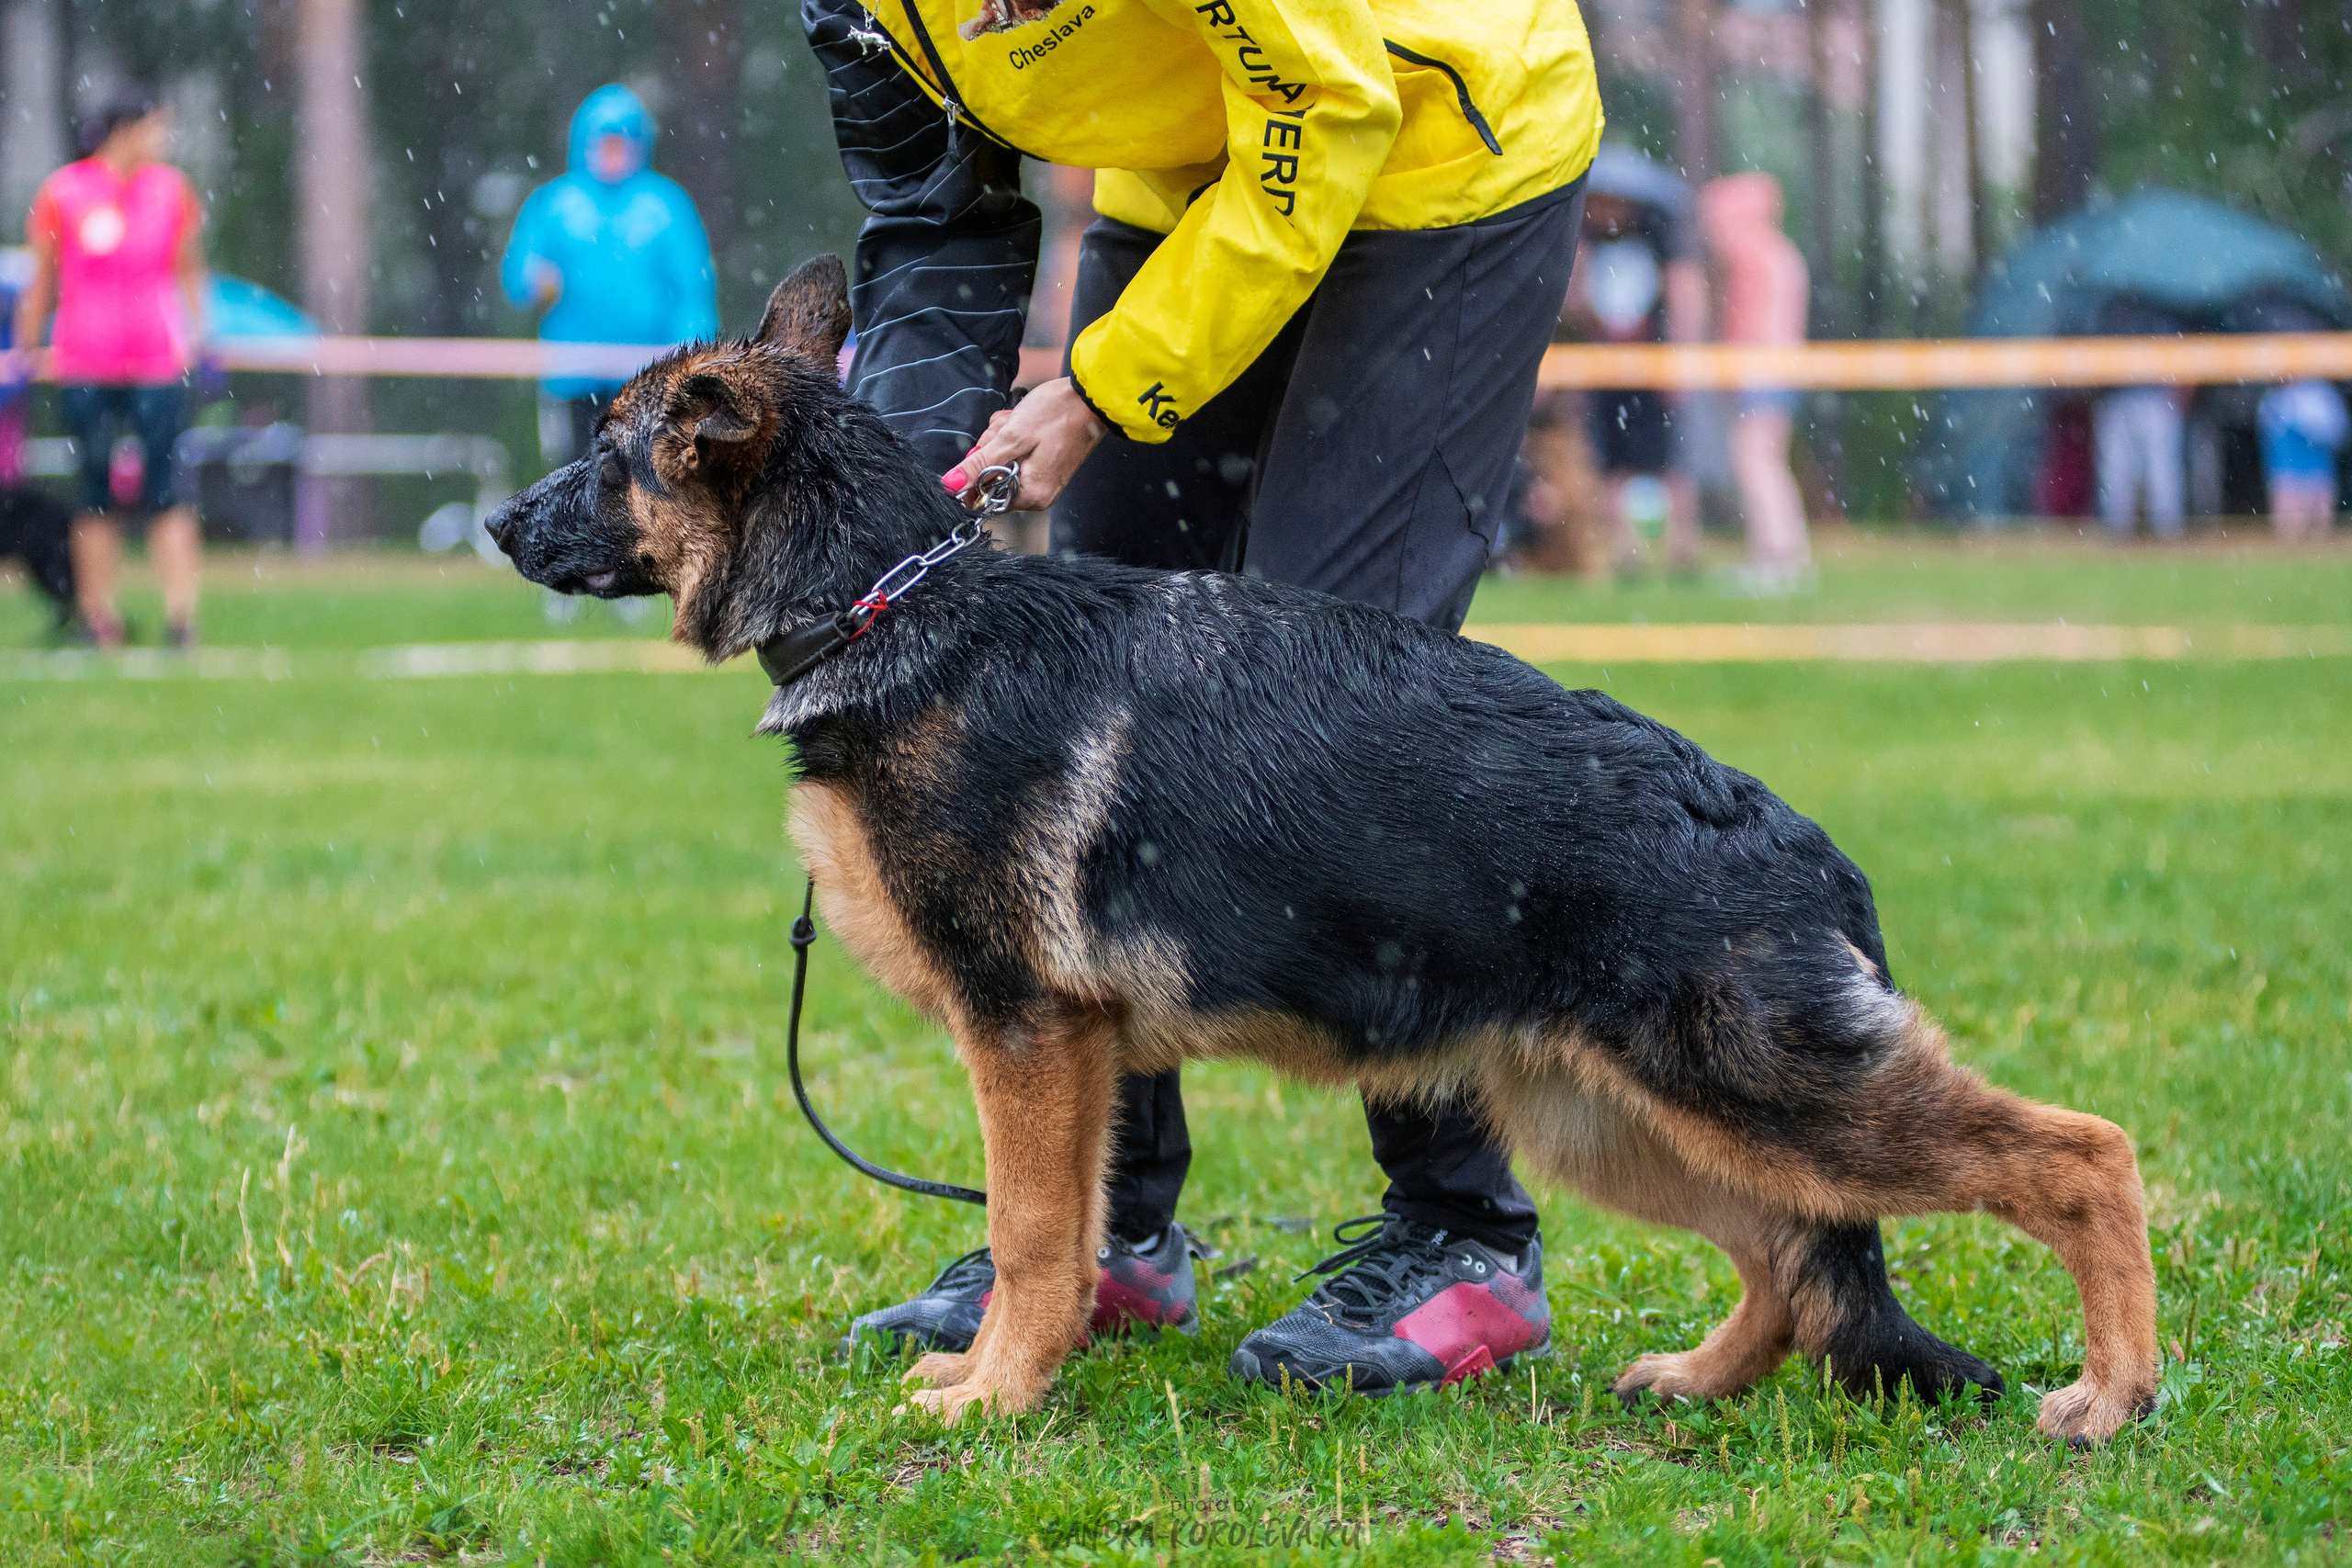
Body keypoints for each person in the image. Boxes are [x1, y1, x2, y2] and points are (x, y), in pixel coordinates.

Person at [807, 0, 1602, 1394]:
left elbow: (1326, 109)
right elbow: (937, 214)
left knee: (1340, 705)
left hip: (1435, 152)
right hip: (1186, 179)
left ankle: (1462, 1230)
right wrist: (888, 509)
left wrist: (1099, 387)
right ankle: (1102, 1234)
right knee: (1073, 680)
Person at [10, 93, 207, 647]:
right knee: (94, 491)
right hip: (85, 362)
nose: (164, 141)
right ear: (124, 131)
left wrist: (201, 336)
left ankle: (181, 619)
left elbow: (189, 269)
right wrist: (25, 347)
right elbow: (42, 277)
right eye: (156, 129)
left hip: (157, 364)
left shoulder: (171, 191)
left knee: (166, 490)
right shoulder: (65, 191)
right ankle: (97, 617)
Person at [500, 85, 718, 466]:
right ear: (585, 143)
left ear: (639, 145)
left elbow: (693, 292)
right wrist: (535, 281)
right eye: (605, 142)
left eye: (622, 143)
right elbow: (518, 276)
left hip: (646, 379)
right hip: (573, 376)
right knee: (573, 476)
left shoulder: (665, 208)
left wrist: (690, 360)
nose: (613, 153)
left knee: (644, 478)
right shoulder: (555, 205)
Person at [1561, 147, 1704, 578]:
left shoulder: (1659, 240)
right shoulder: (1587, 241)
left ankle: (1683, 551)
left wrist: (1681, 358)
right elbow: (1576, 305)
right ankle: (1628, 554)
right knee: (1612, 463)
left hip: (1653, 367)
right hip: (1607, 368)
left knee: (1669, 462)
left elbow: (1684, 297)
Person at [1698, 173, 1809, 593]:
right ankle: (1784, 554)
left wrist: (1728, 367)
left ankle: (1776, 557)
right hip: (1780, 368)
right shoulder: (1782, 253)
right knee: (1768, 460)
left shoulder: (1754, 256)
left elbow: (1744, 320)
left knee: (1755, 461)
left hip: (1760, 369)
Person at [0, 249, 76, 629]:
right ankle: (76, 606)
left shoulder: (23, 345)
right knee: (48, 527)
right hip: (6, 488)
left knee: (51, 526)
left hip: (9, 486)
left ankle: (74, 607)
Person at [2256, 380, 2345, 542]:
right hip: (2287, 477)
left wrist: (2309, 425)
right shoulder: (2275, 398)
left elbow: (2339, 432)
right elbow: (2268, 434)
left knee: (2319, 536)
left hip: (2320, 475)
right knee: (2289, 535)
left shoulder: (2322, 393)